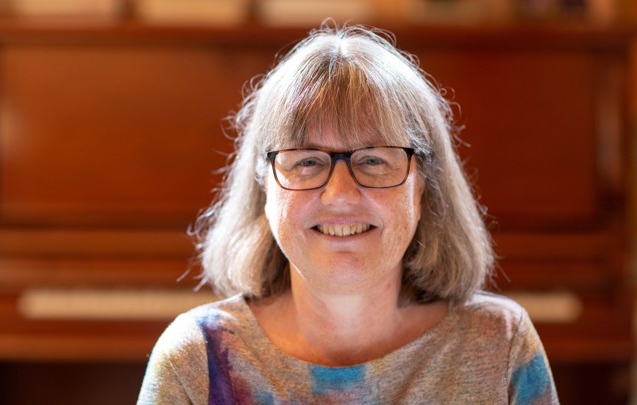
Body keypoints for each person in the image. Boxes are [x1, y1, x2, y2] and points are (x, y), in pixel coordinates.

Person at [138, 23, 559, 404]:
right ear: (264, 185)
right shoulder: (195, 361)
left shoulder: (500, 346)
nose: (340, 194)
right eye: (307, 161)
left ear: (423, 184)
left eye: (374, 160)